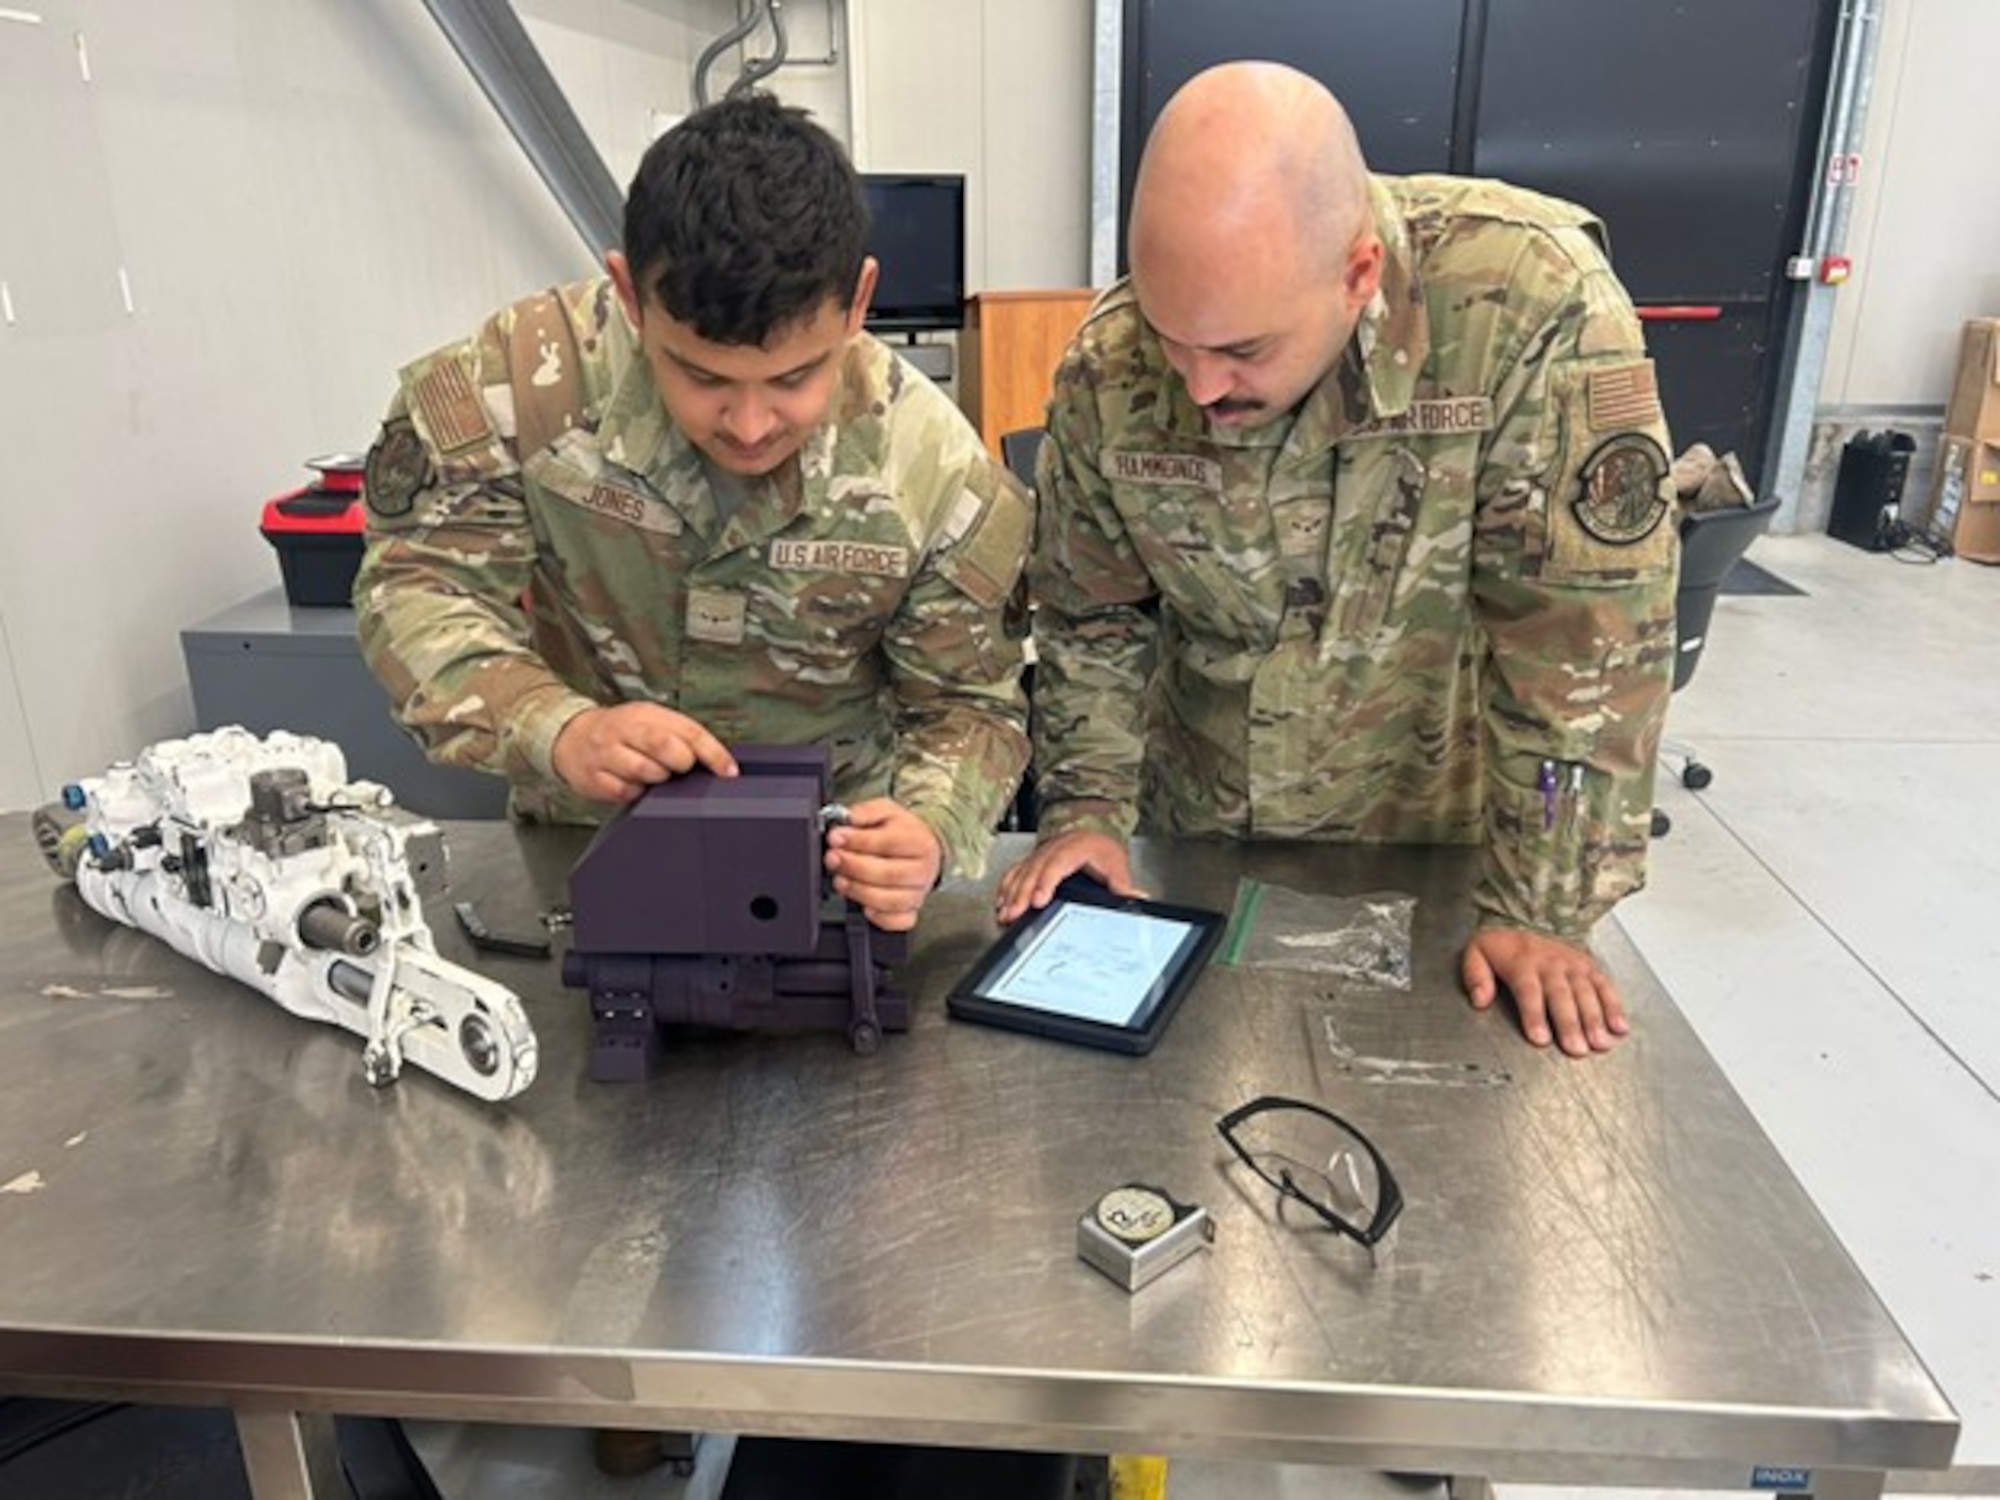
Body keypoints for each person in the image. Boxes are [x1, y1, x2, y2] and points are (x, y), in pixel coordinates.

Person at [995, 62, 1679, 1058]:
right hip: (1194, 839)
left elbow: (1585, 640)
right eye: (1168, 333)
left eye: (1239, 349)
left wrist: (1541, 905)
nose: (1194, 383)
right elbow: (1089, 621)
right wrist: (1087, 811)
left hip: (1424, 837)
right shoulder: (1110, 365)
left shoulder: (1528, 309)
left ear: (1356, 275)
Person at [355, 92, 1032, 944]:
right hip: (587, 856)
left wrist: (930, 828)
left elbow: (972, 704)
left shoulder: (930, 468)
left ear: (859, 302)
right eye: (702, 376)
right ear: (630, 296)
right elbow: (417, 589)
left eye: (794, 378)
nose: (749, 426)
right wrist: (557, 729)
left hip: (831, 881)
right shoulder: (521, 388)